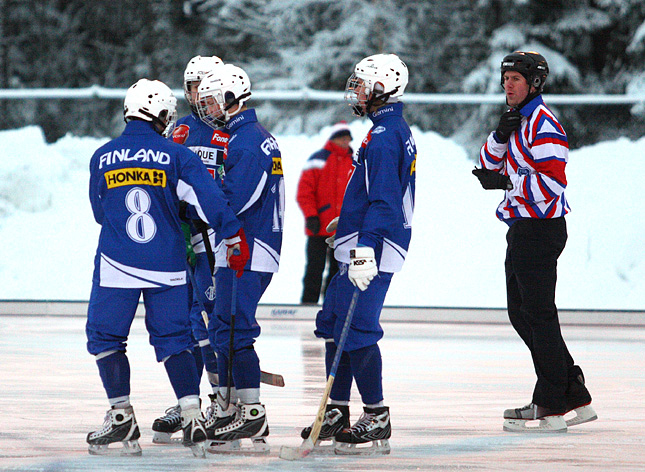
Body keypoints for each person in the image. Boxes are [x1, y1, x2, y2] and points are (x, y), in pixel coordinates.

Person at [85, 78, 249, 457]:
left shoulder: (102, 155)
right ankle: (193, 417)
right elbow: (209, 201)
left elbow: (99, 212)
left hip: (116, 264)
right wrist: (233, 235)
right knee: (176, 340)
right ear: (161, 115)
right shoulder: (177, 154)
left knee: (106, 339)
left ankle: (121, 416)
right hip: (169, 264)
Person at [472, 51, 597, 433]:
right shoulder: (517, 122)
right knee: (522, 313)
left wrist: (509, 183)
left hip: (542, 229)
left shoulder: (544, 125)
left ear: (534, 84)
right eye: (505, 77)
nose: (508, 84)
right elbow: (486, 162)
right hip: (522, 228)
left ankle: (553, 404)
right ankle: (570, 390)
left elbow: (554, 183)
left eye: (516, 79)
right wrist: (498, 135)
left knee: (538, 315)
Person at [300, 53, 416, 455]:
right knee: (334, 321)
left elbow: (384, 201)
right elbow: (370, 193)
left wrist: (365, 245)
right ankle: (337, 408)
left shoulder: (385, 136)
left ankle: (376, 414)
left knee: (358, 326)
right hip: (360, 240)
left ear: (384, 87)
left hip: (374, 248)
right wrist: (348, 225)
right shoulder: (381, 129)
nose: (356, 91)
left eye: (363, 84)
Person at [195, 63, 284, 453]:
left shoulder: (247, 142)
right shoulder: (246, 136)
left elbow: (233, 201)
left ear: (231, 99)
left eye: (213, 100)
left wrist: (190, 205)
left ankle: (250, 410)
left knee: (234, 328)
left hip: (246, 248)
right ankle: (232, 404)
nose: (209, 107)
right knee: (223, 327)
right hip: (244, 246)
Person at [151, 54, 228, 444]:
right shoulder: (178, 130)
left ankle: (223, 401)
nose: (200, 94)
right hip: (184, 238)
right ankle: (190, 403)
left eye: (206, 85)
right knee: (187, 321)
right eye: (193, 86)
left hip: (215, 238)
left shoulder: (230, 129)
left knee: (216, 320)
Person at [296, 121, 354, 304]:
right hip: (318, 227)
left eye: (348, 139)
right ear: (334, 139)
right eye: (342, 138)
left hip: (343, 229)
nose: (346, 142)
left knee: (338, 272)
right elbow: (304, 192)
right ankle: (308, 306)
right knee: (314, 270)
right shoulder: (317, 159)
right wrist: (312, 215)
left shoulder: (354, 162)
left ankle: (332, 306)